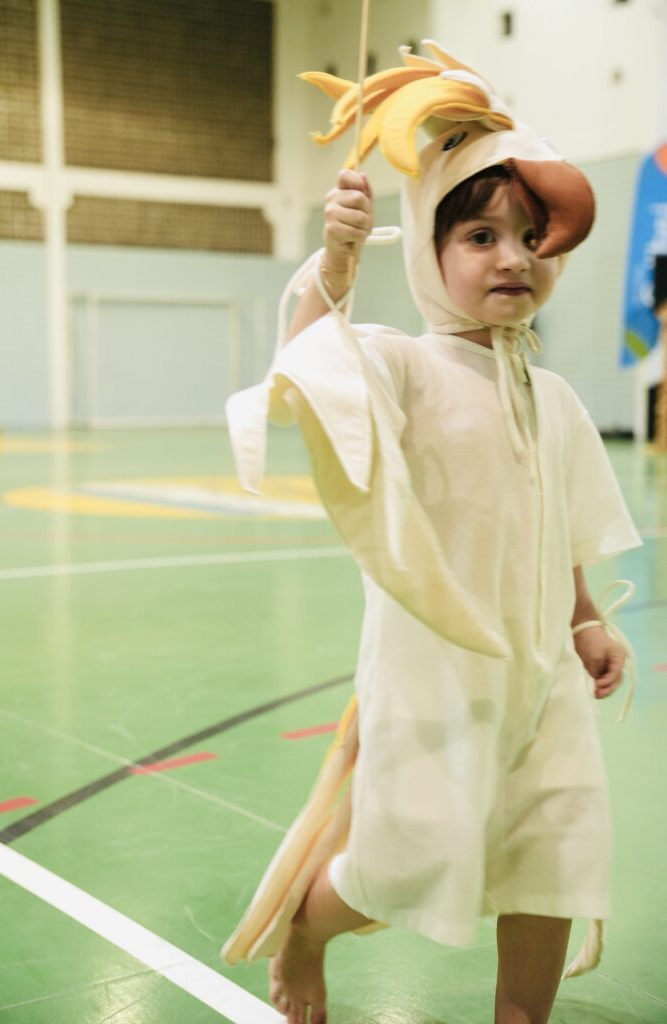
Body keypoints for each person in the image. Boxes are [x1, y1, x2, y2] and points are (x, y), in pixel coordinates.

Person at [223, 42, 642, 1024]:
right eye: (481, 235)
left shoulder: (561, 397)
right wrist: (333, 265)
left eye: (529, 237)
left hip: (542, 676)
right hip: (431, 674)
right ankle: (308, 932)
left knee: (557, 856)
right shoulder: (402, 366)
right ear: (427, 250)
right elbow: (307, 369)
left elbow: (563, 522)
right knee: (403, 857)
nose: (511, 256)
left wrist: (587, 621)